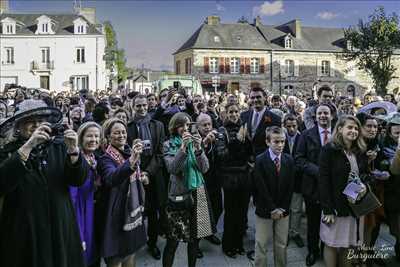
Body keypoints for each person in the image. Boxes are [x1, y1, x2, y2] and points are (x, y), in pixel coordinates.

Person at [0, 99, 89, 267]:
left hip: (60, 223)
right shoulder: (8, 151)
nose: (36, 125)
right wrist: (29, 146)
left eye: (41, 121)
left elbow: (78, 180)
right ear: (18, 126)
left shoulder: (58, 146)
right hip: (26, 228)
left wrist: (73, 152)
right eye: (30, 121)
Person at [162, 112, 215, 267]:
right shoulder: (168, 144)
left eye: (188, 125)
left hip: (198, 193)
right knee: (173, 241)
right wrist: (183, 148)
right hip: (179, 195)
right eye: (181, 125)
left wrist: (198, 148)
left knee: (195, 240)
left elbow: (204, 168)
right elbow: (172, 168)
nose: (185, 128)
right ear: (174, 127)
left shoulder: (195, 142)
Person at [319, 115, 369, 267]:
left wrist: (365, 185)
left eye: (356, 128)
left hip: (352, 208)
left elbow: (365, 174)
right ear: (340, 129)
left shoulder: (359, 150)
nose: (353, 131)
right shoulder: (329, 150)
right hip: (334, 208)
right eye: (350, 127)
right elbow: (323, 180)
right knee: (331, 244)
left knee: (348, 244)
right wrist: (327, 209)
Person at [98, 118, 148, 267]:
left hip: (132, 213)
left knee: (130, 258)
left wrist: (143, 176)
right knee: (116, 260)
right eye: (116, 133)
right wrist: (132, 161)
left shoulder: (128, 152)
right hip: (115, 218)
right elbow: (112, 178)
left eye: (123, 132)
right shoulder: (105, 159)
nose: (121, 135)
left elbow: (133, 175)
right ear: (108, 137)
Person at [126, 95, 166, 260]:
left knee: (153, 211)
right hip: (133, 174)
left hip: (154, 174)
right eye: (138, 106)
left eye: (144, 105)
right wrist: (137, 171)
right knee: (135, 211)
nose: (142, 109)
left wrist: (148, 172)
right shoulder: (128, 127)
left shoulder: (158, 125)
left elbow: (160, 153)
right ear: (133, 107)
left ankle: (152, 242)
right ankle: (135, 243)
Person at [295, 104, 333, 266]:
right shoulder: (306, 134)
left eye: (326, 113)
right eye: (320, 113)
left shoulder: (337, 135)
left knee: (330, 222)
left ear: (331, 115)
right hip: (312, 187)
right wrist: (318, 171)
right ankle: (312, 250)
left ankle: (326, 249)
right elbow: (299, 159)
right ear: (315, 116)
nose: (323, 116)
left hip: (332, 188)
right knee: (313, 222)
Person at [253, 126, 295, 267]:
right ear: (267, 142)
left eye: (283, 142)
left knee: (282, 243)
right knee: (261, 243)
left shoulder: (289, 160)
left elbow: (290, 187)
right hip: (265, 209)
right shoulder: (260, 160)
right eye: (276, 142)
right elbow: (260, 188)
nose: (280, 145)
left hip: (283, 210)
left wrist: (282, 208)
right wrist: (272, 208)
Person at [219, 103, 252, 258]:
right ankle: (228, 245)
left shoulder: (245, 128)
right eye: (230, 112)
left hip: (244, 176)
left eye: (236, 111)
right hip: (230, 177)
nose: (233, 114)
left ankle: (238, 244)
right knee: (231, 213)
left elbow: (248, 153)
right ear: (226, 113)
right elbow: (222, 155)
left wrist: (246, 142)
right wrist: (237, 142)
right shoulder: (222, 130)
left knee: (242, 213)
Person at [69, 121, 102, 267]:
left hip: (93, 211)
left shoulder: (94, 158)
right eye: (89, 136)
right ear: (81, 138)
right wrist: (78, 232)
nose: (93, 140)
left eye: (96, 136)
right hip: (80, 215)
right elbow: (72, 198)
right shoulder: (75, 160)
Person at [283, 114, 304, 248]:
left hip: (297, 179)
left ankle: (294, 232)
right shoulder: (280, 138)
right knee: (284, 207)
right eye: (288, 126)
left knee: (296, 208)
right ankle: (283, 233)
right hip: (282, 180)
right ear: (284, 126)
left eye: (294, 126)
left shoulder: (303, 138)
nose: (291, 129)